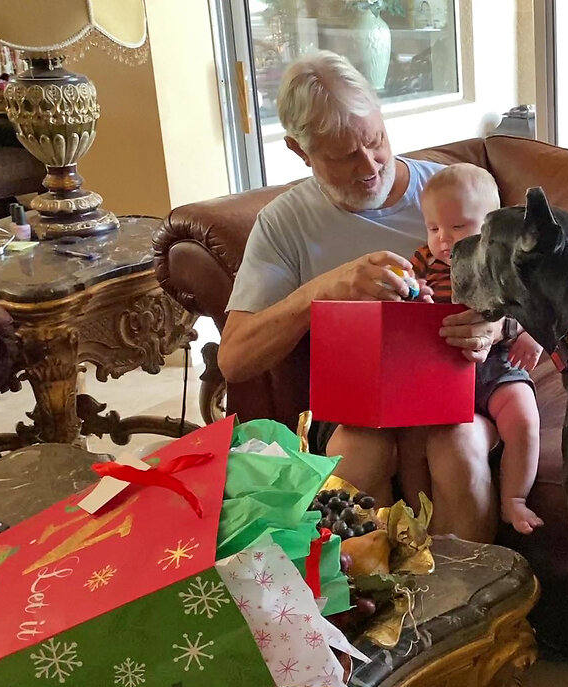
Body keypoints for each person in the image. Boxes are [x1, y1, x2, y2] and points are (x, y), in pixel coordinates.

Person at [217, 50, 506, 542]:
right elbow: (234, 360)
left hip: (459, 390)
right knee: (358, 455)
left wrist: (493, 325)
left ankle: (475, 606)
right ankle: (382, 600)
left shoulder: (450, 199)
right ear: (299, 150)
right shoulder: (285, 223)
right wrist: (325, 290)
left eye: (375, 141)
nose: (369, 165)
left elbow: (523, 293)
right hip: (358, 401)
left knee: (457, 448)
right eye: (343, 156)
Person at [415, 164, 544, 535]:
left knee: (524, 419)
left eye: (458, 227)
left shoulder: (503, 262)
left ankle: (514, 499)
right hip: (443, 368)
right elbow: (406, 294)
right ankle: (416, 520)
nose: (444, 239)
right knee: (412, 437)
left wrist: (529, 335)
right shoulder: (425, 261)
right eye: (433, 228)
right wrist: (415, 295)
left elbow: (534, 305)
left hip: (498, 366)